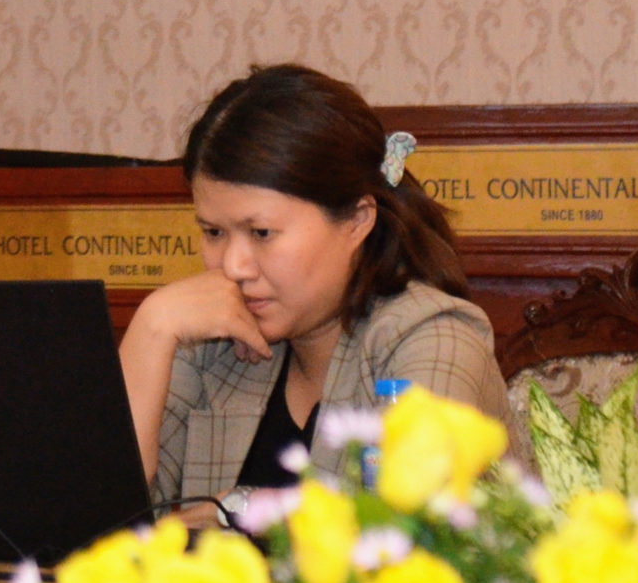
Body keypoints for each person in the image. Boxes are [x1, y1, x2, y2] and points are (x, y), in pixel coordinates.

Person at [119, 64, 506, 511]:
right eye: (213, 232)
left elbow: (408, 525)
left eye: (261, 233)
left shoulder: (432, 338)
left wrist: (239, 509)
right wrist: (152, 327)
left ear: (357, 221)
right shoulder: (214, 344)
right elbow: (93, 520)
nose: (233, 266)